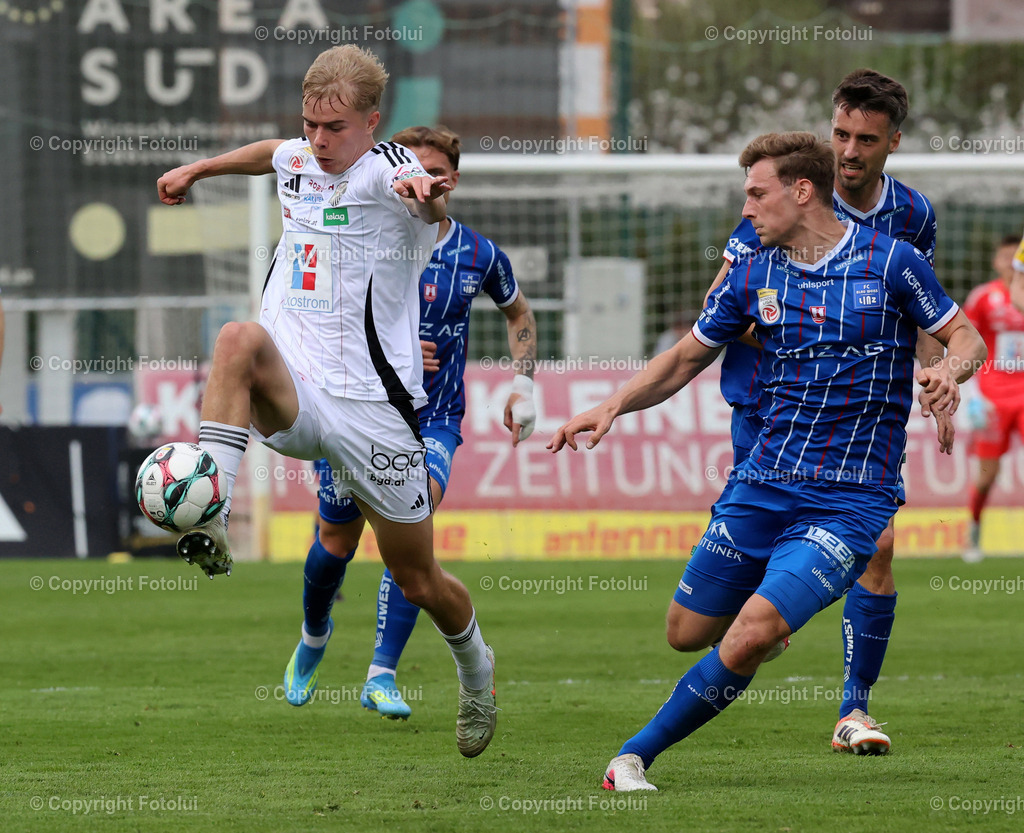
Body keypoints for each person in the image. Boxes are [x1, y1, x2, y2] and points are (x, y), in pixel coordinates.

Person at [548, 132, 985, 792]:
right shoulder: (754, 270)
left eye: (756, 193)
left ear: (800, 190)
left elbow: (966, 335)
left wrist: (950, 372)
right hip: (760, 480)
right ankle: (776, 614)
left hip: (851, 498)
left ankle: (632, 757)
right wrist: (612, 405)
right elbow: (687, 356)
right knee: (686, 631)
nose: (746, 209)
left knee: (748, 633)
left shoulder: (892, 262)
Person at [155, 46, 497, 758]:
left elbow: (429, 198)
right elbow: (270, 153)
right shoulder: (301, 157)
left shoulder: (392, 170)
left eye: (333, 127)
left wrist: (427, 197)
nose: (317, 139)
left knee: (418, 576)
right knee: (237, 339)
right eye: (309, 123)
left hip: (377, 411)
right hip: (300, 393)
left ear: (371, 122)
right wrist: (198, 169)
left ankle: (476, 670)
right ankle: (210, 506)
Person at [701, 69, 946, 755]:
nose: (849, 150)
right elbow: (722, 302)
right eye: (841, 133)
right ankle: (763, 618)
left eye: (866, 139)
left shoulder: (913, 218)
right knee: (713, 615)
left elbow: (922, 311)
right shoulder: (788, 196)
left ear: (892, 141)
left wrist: (937, 373)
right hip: (771, 406)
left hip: (864, 416)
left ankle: (853, 709)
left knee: (880, 544)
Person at [299, 125, 537, 719]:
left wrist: (523, 384)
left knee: (413, 526)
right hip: (357, 412)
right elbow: (313, 313)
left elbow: (520, 313)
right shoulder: (360, 240)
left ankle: (381, 672)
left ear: (445, 182)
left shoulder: (477, 254)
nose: (398, 180)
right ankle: (313, 635)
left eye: (414, 172)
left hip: (433, 420)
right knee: (335, 542)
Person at [961, 234, 1024, 562]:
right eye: (1006, 257)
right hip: (994, 395)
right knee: (987, 474)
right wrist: (972, 394)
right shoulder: (984, 298)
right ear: (997, 262)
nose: (1012, 262)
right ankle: (972, 530)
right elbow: (965, 342)